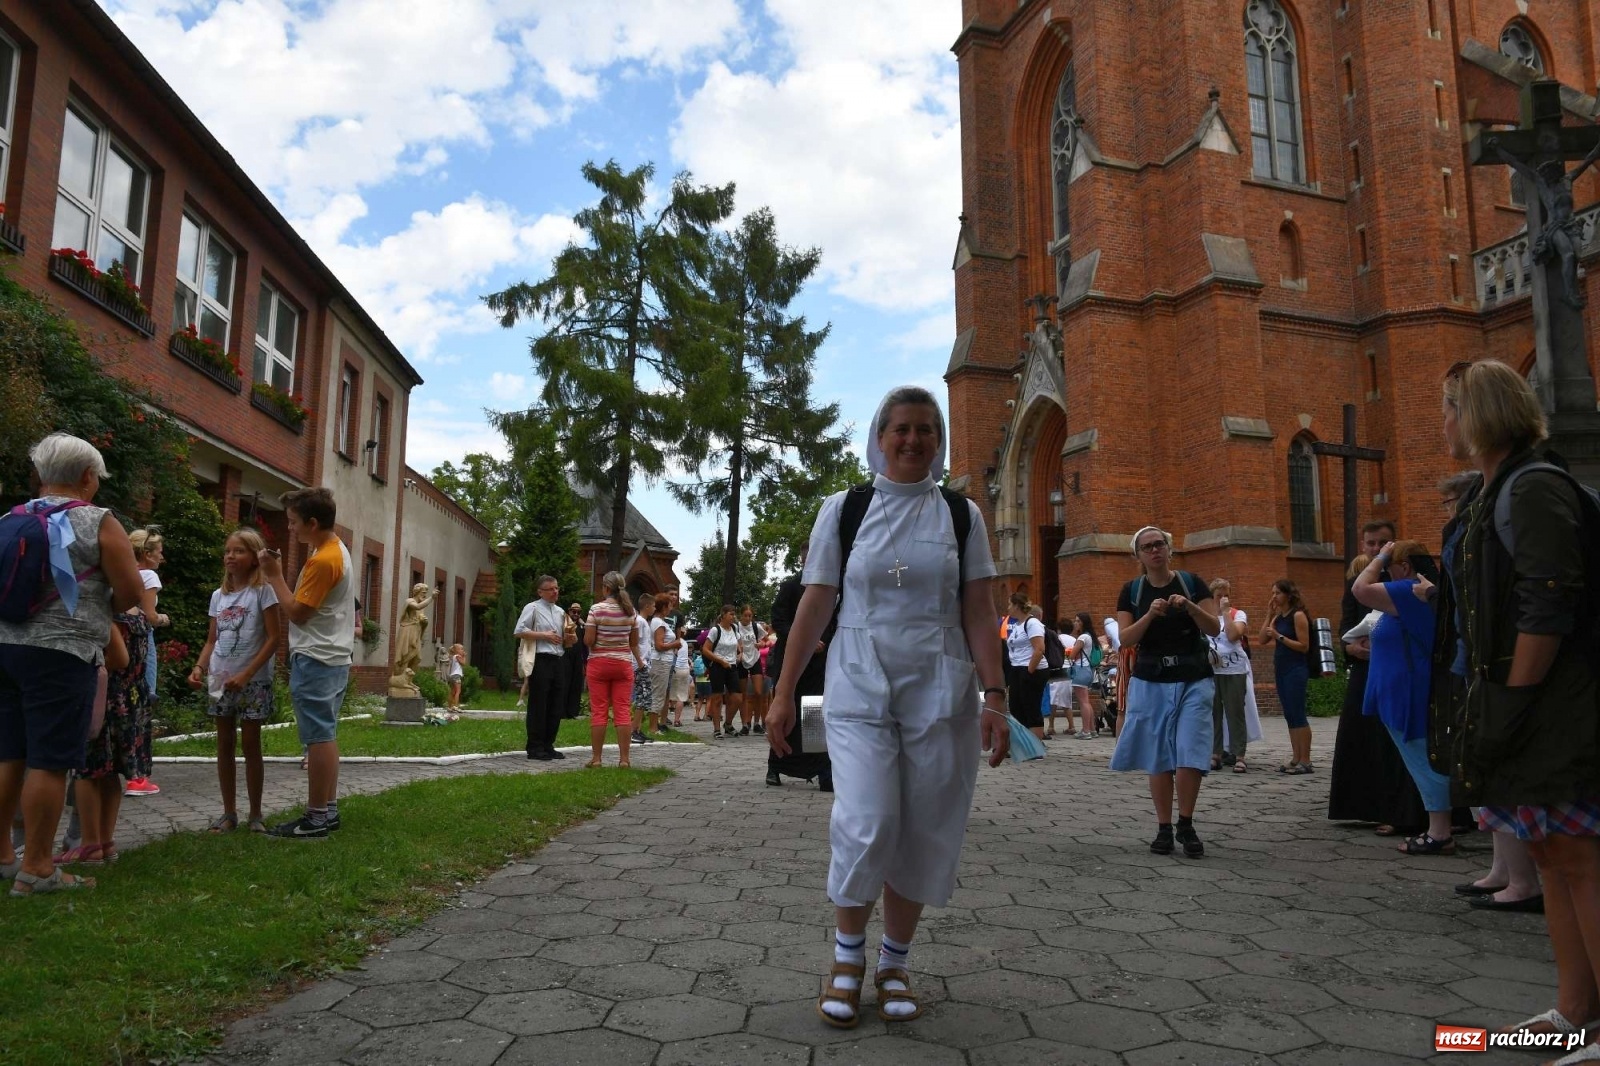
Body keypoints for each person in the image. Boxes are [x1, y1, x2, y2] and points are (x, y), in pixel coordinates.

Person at [766, 385, 1008, 1029]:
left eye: (926, 429)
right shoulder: (843, 510)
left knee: (925, 825)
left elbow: (979, 609)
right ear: (879, 438)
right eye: (901, 428)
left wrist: (996, 695)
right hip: (858, 677)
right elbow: (816, 602)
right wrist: (783, 692)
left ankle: (894, 963)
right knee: (869, 818)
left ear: (939, 441)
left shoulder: (961, 514)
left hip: (940, 682)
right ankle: (847, 957)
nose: (912, 439)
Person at [1442, 359, 1600, 1044]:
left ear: (1479, 413)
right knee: (1550, 856)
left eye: (1450, 408)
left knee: (1579, 859)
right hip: (1520, 699)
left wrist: (1515, 697)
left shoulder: (1532, 487)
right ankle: (1574, 1012)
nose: (1444, 423)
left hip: (1554, 703)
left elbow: (1548, 601)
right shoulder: (1492, 491)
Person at [1, 433, 144, 894]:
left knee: (8, 753)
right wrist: (100, 605)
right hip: (61, 652)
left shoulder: (11, 518)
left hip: (5, 646)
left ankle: (3, 856)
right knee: (49, 760)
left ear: (41, 475)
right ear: (86, 477)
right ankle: (38, 868)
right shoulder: (99, 521)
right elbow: (131, 592)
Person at [1436, 469, 1543, 911]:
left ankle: (1523, 881)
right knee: (1483, 765)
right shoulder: (1468, 531)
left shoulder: (1476, 529)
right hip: (1474, 653)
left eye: (1449, 503)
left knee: (1495, 765)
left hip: (1488, 658)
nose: (1446, 511)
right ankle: (1504, 869)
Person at [1111, 526, 1220, 858]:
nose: (1154, 550)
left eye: (1159, 544)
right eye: (1147, 547)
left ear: (1169, 549)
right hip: (1151, 680)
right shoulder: (1132, 591)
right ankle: (1163, 827)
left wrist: (1190, 607)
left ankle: (1185, 823)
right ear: (1138, 556)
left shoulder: (1192, 583)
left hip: (1193, 677)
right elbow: (1125, 639)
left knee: (1191, 749)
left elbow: (1215, 627)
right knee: (1158, 755)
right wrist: (1149, 614)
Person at [257, 487, 354, 839]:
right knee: (325, 734)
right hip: (332, 656)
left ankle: (316, 818)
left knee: (318, 737)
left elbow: (298, 613)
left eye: (294, 522)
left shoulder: (323, 560)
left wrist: (274, 575)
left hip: (317, 656)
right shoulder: (335, 549)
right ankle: (327, 810)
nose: (290, 528)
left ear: (313, 523)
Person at [1352, 539, 1454, 856]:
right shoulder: (1415, 592)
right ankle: (1438, 828)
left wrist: (1380, 556)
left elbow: (1360, 589)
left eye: (1390, 567)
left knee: (1424, 761)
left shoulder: (1409, 589)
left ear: (1405, 566)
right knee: (1421, 760)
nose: (1385, 573)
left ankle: (1440, 833)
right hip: (1400, 689)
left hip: (1407, 692)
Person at [1326, 521, 1427, 834]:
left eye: (1381, 543)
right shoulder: (1356, 579)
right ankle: (1368, 806)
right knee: (1363, 736)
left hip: (1399, 666)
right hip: (1366, 666)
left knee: (1396, 741)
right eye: (1369, 543)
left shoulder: (1404, 578)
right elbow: (1346, 624)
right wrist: (1350, 647)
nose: (1374, 548)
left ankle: (1403, 811)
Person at [187, 528, 281, 834]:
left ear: (254, 558)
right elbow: (212, 640)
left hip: (253, 680)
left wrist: (247, 674)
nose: (230, 556)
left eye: (239, 551)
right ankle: (229, 813)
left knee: (251, 745)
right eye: (227, 551)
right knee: (224, 744)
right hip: (220, 678)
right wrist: (199, 667)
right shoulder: (219, 596)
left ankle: (256, 815)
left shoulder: (263, 592)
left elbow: (274, 638)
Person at [766, 540, 833, 790]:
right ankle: (775, 766)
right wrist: (806, 640)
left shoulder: (828, 588)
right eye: (806, 560)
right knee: (785, 712)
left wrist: (824, 641)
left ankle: (821, 769)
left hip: (818, 665)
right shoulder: (790, 587)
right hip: (791, 662)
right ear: (802, 561)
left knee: (814, 713)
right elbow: (778, 621)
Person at [122, 528, 168, 798]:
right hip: (141, 640)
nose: (162, 557)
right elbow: (149, 616)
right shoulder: (148, 576)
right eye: (159, 552)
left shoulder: (121, 573)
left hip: (119, 640)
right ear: (147, 554)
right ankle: (138, 778)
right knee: (143, 701)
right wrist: (163, 618)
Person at [584, 570, 640, 768]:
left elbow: (589, 640)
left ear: (606, 588)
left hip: (599, 663)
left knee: (599, 711)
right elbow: (634, 642)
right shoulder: (631, 612)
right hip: (623, 664)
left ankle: (596, 759)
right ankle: (624, 759)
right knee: (622, 710)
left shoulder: (596, 609)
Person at [1259, 579, 1314, 774]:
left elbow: (1304, 646)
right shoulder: (1278, 618)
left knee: (1298, 712)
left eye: (1278, 593)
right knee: (1289, 714)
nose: (1274, 596)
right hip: (1281, 669)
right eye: (1272, 593)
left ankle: (1306, 760)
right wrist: (1269, 614)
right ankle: (1296, 757)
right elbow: (1262, 639)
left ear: (1288, 595)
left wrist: (1279, 637)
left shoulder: (1297, 615)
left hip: (1296, 669)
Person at [515, 576, 570, 761]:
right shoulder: (532, 608)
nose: (555, 592)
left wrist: (570, 637)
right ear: (540, 592)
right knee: (539, 703)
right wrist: (543, 635)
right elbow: (519, 630)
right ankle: (535, 746)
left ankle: (548, 744)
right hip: (541, 659)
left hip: (558, 659)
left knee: (556, 704)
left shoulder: (560, 612)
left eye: (556, 588)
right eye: (550, 589)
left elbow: (564, 637)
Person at [1208, 579, 1251, 771]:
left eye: (1226, 595)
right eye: (1219, 596)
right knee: (1213, 712)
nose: (1223, 599)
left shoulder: (1237, 614)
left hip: (1234, 670)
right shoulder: (1207, 616)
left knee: (1235, 712)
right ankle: (1215, 753)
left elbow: (1234, 636)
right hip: (1212, 670)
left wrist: (1225, 613)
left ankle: (1239, 754)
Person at [1003, 591, 1047, 741]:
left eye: (1010, 604)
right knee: (1016, 707)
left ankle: (1035, 745)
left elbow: (1039, 649)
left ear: (1017, 606)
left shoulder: (1032, 623)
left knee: (1031, 707)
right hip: (1017, 668)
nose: (1008, 608)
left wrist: (1029, 671)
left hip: (1031, 669)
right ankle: (1024, 742)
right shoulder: (1017, 625)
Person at [701, 606, 743, 739]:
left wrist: (740, 654)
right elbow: (705, 649)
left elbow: (739, 646)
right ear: (723, 615)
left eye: (734, 614)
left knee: (737, 697)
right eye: (731, 614)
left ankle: (728, 724)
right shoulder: (716, 630)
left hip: (732, 665)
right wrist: (720, 660)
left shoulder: (734, 629)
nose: (733, 617)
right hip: (718, 666)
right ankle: (716, 729)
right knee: (717, 697)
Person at [647, 593, 679, 738]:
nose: (671, 609)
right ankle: (653, 727)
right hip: (661, 661)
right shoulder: (659, 623)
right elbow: (659, 645)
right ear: (664, 607)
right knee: (658, 694)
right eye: (669, 605)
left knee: (659, 693)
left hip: (662, 661)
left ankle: (654, 724)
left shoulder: (657, 621)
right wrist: (675, 644)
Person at [1065, 612, 1098, 739]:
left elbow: (1072, 655)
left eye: (1078, 621)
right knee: (1086, 701)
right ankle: (1092, 729)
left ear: (1084, 623)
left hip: (1080, 669)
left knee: (1083, 702)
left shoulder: (1082, 637)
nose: (1075, 623)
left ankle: (1085, 731)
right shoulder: (1090, 636)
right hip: (1088, 670)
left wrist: (1069, 653)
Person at [630, 593, 657, 746]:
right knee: (643, 697)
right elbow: (633, 643)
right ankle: (633, 730)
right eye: (653, 606)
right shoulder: (639, 622)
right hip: (639, 664)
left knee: (645, 698)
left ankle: (638, 729)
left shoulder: (644, 622)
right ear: (646, 606)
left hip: (644, 663)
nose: (654, 608)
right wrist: (640, 663)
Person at [561, 602, 588, 719]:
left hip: (578, 658)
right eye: (574, 611)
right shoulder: (565, 624)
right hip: (565, 656)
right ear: (569, 611)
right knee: (564, 683)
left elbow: (586, 644)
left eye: (578, 612)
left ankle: (573, 711)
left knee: (576, 684)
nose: (576, 614)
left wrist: (585, 662)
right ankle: (562, 711)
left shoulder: (582, 627)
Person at [691, 646, 710, 721]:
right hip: (707, 680)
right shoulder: (708, 658)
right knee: (709, 699)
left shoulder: (697, 658)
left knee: (700, 699)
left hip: (698, 680)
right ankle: (705, 716)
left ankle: (696, 715)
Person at [446, 643, 465, 710]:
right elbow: (463, 663)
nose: (463, 650)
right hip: (456, 675)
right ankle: (456, 706)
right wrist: (464, 656)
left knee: (453, 691)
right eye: (461, 649)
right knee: (458, 691)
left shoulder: (454, 657)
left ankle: (450, 706)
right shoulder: (457, 656)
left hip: (452, 675)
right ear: (457, 650)